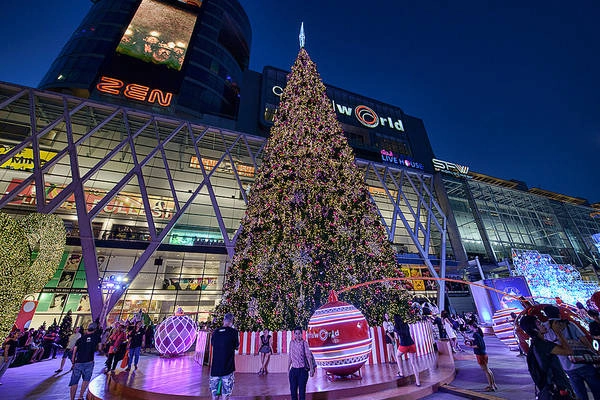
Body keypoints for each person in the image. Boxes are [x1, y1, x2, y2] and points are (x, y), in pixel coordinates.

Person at [543, 305, 600, 400]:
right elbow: (584, 340)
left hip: (567, 367)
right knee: (597, 390)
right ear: (559, 314)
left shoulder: (545, 329)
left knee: (580, 394)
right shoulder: (569, 324)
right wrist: (594, 353)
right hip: (584, 363)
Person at [519, 314, 574, 398]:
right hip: (557, 388)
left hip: (550, 388)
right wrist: (558, 332)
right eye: (539, 324)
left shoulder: (535, 345)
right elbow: (568, 351)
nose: (543, 325)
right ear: (534, 329)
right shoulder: (542, 345)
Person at [209, 313, 239, 400]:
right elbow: (236, 346)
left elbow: (213, 344)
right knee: (225, 394)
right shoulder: (234, 332)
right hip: (228, 368)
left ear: (223, 320)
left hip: (215, 368)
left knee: (214, 394)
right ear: (232, 321)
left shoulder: (215, 332)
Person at [69, 323, 100, 400]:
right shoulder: (96, 337)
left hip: (78, 361)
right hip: (89, 361)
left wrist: (73, 361)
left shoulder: (80, 339)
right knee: (86, 379)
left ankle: (72, 398)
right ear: (95, 330)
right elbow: (100, 348)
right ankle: (81, 396)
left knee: (74, 381)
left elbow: (74, 350)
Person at [464, 320, 497, 392]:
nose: (469, 328)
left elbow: (477, 345)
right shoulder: (478, 333)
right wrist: (469, 339)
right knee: (488, 370)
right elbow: (477, 341)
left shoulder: (475, 334)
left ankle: (491, 386)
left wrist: (470, 346)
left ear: (472, 326)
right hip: (483, 353)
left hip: (480, 354)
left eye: (469, 326)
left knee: (486, 370)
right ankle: (493, 384)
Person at [288, 326, 315, 400]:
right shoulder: (291, 343)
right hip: (293, 370)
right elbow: (290, 356)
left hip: (302, 371)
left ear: (301, 334)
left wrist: (311, 369)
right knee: (293, 393)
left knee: (302, 393)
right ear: (294, 334)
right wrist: (288, 369)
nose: (297, 335)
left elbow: (308, 356)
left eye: (299, 333)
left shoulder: (304, 343)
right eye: (296, 333)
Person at [393, 314, 420, 387]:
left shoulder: (396, 326)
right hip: (411, 344)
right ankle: (418, 382)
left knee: (398, 356)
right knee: (414, 363)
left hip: (404, 345)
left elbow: (396, 338)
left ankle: (401, 372)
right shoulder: (406, 324)